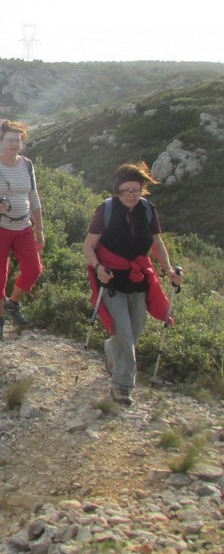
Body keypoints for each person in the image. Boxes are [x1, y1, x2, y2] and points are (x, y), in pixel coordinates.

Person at [82, 162, 182, 405]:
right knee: (125, 335)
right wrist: (98, 267)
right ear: (117, 190)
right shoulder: (105, 210)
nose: (131, 195)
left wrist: (168, 269)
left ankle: (110, 348)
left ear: (142, 189)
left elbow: (157, 244)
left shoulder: (148, 210)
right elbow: (88, 246)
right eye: (126, 190)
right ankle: (121, 387)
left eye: (135, 190)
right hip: (111, 280)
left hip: (138, 281)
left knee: (133, 333)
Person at [0, 120, 45, 341]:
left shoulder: (27, 165)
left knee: (34, 269)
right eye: (10, 140)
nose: (14, 144)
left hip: (23, 225)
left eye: (18, 140)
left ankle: (12, 303)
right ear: (2, 141)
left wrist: (40, 229)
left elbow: (33, 197)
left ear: (22, 142)